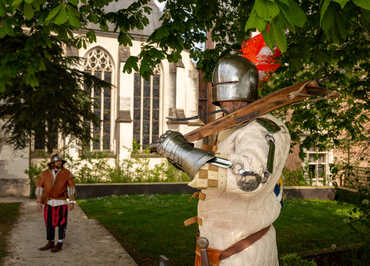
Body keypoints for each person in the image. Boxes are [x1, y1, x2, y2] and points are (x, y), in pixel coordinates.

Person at [154, 55, 290, 265]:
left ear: (242, 90)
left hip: (244, 252)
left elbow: (248, 177)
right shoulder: (235, 126)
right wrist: (179, 157)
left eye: (227, 95)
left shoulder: (259, 128)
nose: (223, 103)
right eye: (221, 97)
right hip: (223, 249)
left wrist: (184, 154)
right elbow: (214, 166)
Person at [35, 154, 76, 253]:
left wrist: (71, 201)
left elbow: (71, 188)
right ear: (52, 163)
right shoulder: (44, 174)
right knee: (49, 223)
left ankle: (60, 243)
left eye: (60, 161)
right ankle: (50, 242)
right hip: (49, 202)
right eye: (57, 161)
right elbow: (39, 188)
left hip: (61, 202)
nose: (59, 163)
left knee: (62, 224)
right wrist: (39, 201)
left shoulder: (67, 173)